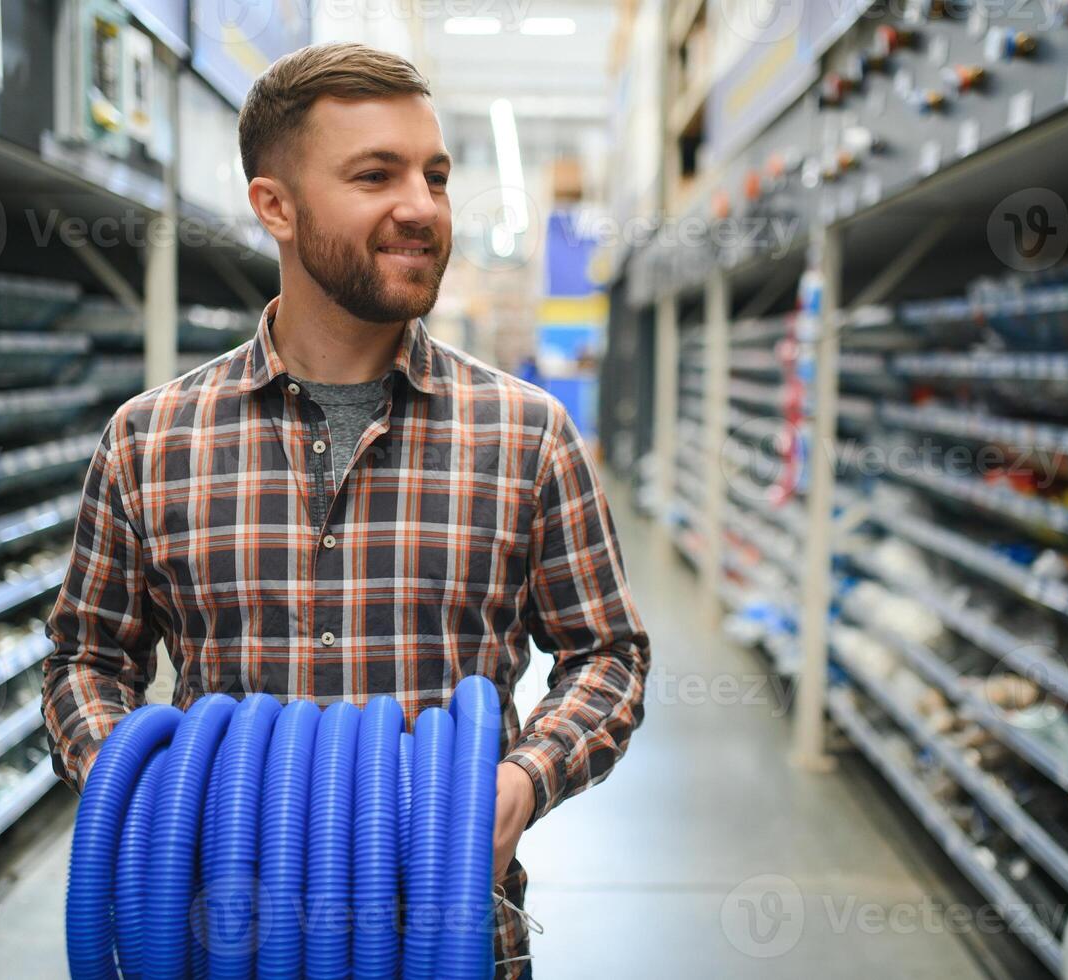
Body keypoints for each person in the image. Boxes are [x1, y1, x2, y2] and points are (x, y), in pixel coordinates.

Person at [40, 41, 651, 980]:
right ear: (274, 206)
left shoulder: (528, 436)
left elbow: (606, 654)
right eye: (376, 175)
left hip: (443, 940)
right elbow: (85, 661)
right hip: (223, 942)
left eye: (435, 176)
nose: (422, 206)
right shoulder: (149, 441)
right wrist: (147, 792)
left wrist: (519, 783)